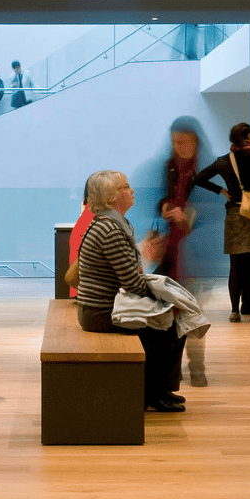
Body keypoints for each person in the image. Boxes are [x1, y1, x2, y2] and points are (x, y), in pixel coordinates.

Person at [77, 170, 187, 413]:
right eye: (126, 187)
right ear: (111, 197)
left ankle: (161, 390)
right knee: (169, 324)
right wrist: (163, 296)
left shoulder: (112, 223)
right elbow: (132, 283)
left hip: (102, 306)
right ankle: (155, 393)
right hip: (102, 312)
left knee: (171, 319)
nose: (132, 190)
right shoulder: (112, 229)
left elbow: (130, 276)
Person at [193, 122, 250, 323]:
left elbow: (198, 178)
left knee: (236, 265)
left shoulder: (224, 160)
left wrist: (221, 191)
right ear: (248, 137)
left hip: (235, 213)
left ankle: (235, 311)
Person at [152, 117, 208, 386]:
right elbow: (162, 198)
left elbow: (214, 211)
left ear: (195, 141)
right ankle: (174, 369)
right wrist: (164, 208)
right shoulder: (170, 168)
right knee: (171, 314)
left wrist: (190, 218)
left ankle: (197, 368)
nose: (178, 147)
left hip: (196, 254)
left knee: (192, 313)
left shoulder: (207, 171)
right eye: (175, 142)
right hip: (172, 250)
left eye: (183, 141)